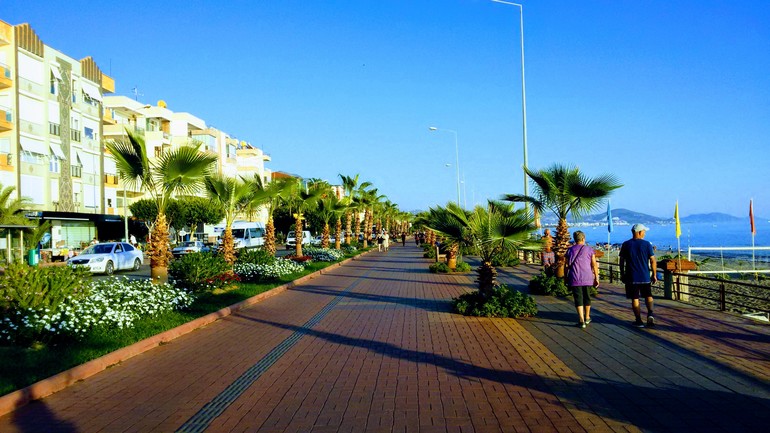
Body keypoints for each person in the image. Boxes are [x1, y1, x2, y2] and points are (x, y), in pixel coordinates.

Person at [619, 224, 658, 328]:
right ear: (640, 232)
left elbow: (621, 261)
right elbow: (653, 260)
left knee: (635, 298)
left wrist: (622, 273)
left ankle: (639, 320)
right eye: (644, 232)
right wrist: (654, 274)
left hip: (631, 276)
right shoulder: (647, 244)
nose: (644, 233)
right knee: (648, 295)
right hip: (645, 276)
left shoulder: (626, 244)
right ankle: (650, 314)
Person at [565, 231, 599, 328]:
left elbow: (566, 265)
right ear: (583, 239)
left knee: (578, 298)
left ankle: (581, 320)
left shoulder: (570, 250)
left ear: (575, 239)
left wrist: (565, 277)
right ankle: (587, 316)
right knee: (587, 297)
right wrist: (596, 278)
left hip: (575, 277)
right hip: (587, 277)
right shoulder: (589, 249)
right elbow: (594, 264)